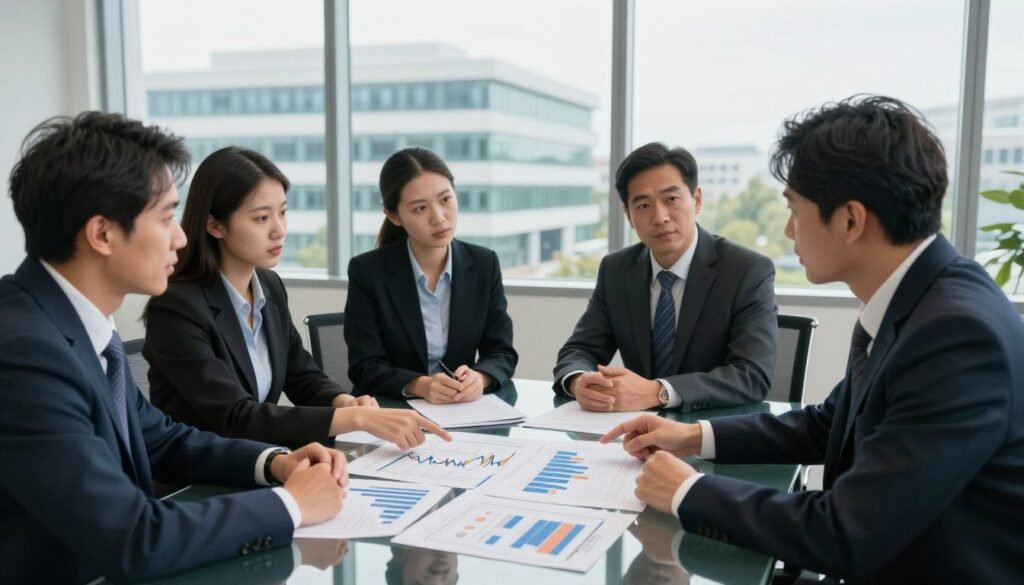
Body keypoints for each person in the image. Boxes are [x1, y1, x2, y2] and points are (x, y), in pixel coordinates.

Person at [602, 96, 1024, 582]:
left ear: (850, 220)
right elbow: (830, 425)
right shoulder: (924, 299)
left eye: (795, 209)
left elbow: (846, 533)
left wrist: (689, 491)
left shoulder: (957, 337)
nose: (787, 230)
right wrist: (692, 436)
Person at [0, 112, 349, 583]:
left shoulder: (75, 324)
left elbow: (162, 437)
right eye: (166, 216)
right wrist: (291, 505)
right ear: (101, 234)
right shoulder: (24, 352)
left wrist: (275, 463)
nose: (182, 237)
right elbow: (132, 538)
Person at [144, 147, 449, 449]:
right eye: (262, 218)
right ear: (215, 225)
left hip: (260, 459)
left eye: (283, 212)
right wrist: (354, 420)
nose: (279, 230)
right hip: (196, 476)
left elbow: (301, 376)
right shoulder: (176, 306)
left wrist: (341, 401)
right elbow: (236, 416)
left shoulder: (269, 285)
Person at [553, 142, 777, 412]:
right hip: (633, 433)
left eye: (671, 199)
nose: (660, 217)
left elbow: (751, 376)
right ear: (629, 216)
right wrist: (579, 382)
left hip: (711, 435)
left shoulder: (746, 271)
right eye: (644, 205)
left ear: (696, 200)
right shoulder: (617, 270)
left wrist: (658, 392)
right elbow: (579, 350)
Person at [345, 147, 517, 403]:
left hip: (462, 412)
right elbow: (365, 366)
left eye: (445, 200)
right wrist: (421, 385)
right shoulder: (368, 271)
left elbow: (502, 352)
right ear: (393, 215)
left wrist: (480, 378)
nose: (439, 218)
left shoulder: (483, 264)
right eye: (419, 209)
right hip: (392, 412)